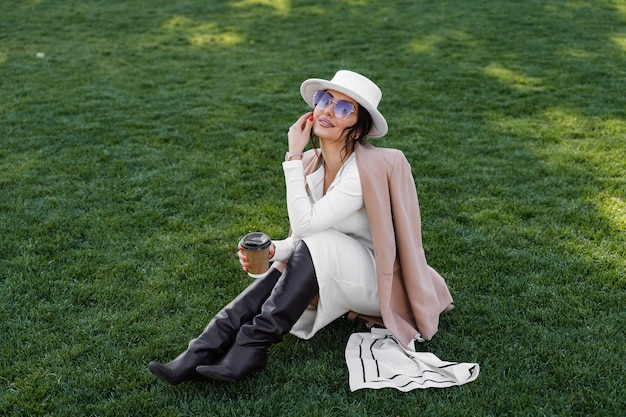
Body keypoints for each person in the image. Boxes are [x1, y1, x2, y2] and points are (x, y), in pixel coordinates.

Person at [148, 70, 454, 384]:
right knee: (294, 255)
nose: (329, 111)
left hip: (378, 282)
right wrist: (273, 251)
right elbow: (304, 240)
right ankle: (204, 349)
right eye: (325, 100)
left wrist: (293, 155)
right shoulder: (313, 163)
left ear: (357, 126)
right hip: (332, 266)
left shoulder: (363, 169)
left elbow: (308, 228)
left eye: (344, 109)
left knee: (319, 240)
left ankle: (251, 345)